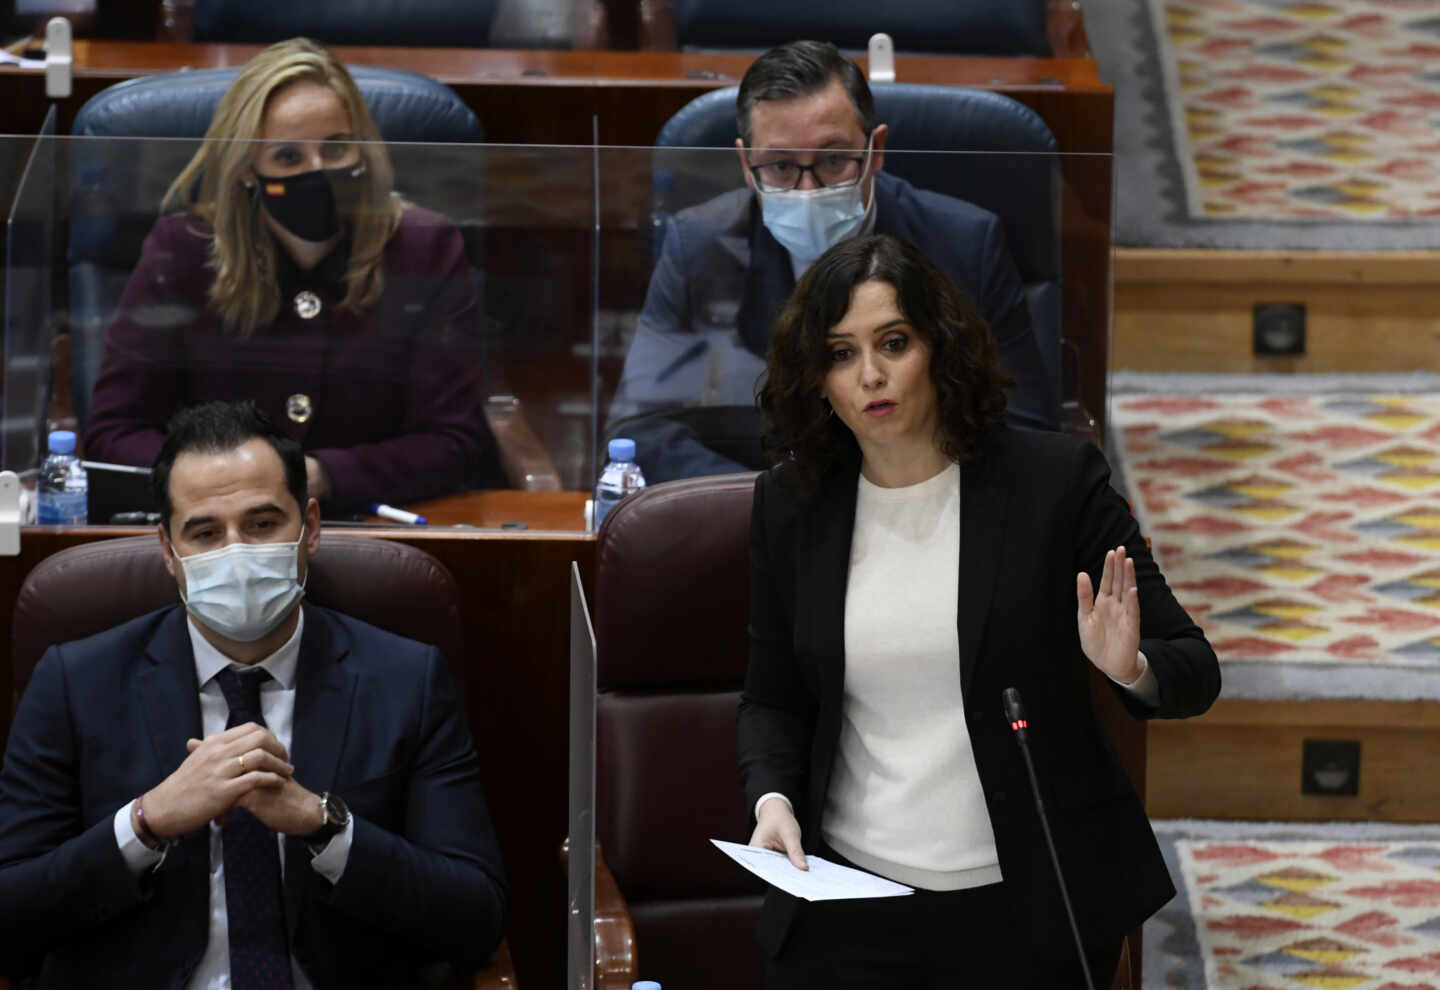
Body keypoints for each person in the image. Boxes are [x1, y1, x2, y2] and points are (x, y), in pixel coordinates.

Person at [738, 234, 1219, 988]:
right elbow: (772, 697)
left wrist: (1133, 668)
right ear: (817, 379)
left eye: (893, 343)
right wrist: (772, 799)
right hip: (852, 903)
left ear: (940, 347)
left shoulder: (1054, 487)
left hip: (1026, 910)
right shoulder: (792, 506)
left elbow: (1194, 671)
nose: (870, 375)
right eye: (840, 353)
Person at [0, 400, 508, 987]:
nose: (236, 552)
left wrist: (324, 826)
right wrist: (144, 823)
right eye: (206, 533)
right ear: (168, 550)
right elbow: (10, 910)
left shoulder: (405, 679)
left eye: (263, 525)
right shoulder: (76, 681)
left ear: (310, 528)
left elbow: (476, 917)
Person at [609, 39, 1060, 483]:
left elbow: (1024, 429)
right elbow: (642, 429)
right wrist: (766, 506)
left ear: (875, 151)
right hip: (757, 518)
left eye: (834, 160)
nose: (810, 191)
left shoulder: (965, 243)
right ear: (747, 164)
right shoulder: (699, 245)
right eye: (781, 166)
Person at [85, 38, 496, 514]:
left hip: (370, 529)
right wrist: (232, 484)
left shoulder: (425, 248)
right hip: (216, 539)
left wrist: (324, 476)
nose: (316, 172)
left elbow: (454, 442)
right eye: (287, 157)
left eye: (335, 149)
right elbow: (114, 435)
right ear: (246, 170)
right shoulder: (182, 251)